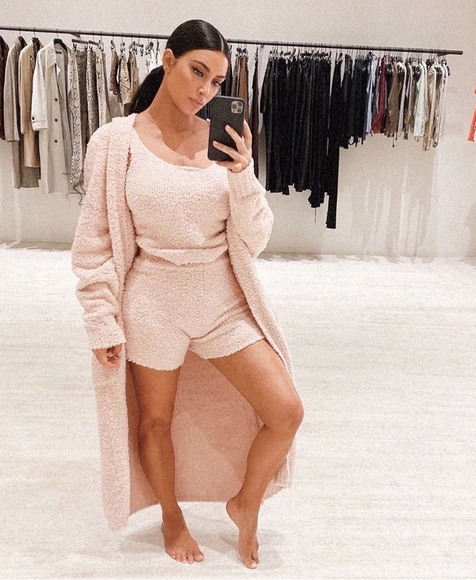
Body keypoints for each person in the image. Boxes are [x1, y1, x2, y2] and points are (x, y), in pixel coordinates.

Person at [71, 19, 303, 570]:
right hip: (152, 303)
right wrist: (101, 319)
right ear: (168, 60)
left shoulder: (223, 142)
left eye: (218, 81)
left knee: (286, 412)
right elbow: (94, 241)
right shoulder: (116, 142)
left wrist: (243, 174)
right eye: (198, 71)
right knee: (155, 422)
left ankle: (245, 503)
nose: (205, 90)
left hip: (222, 301)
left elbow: (255, 238)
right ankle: (171, 517)